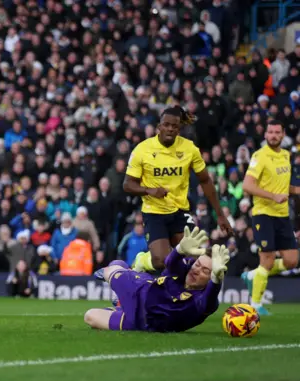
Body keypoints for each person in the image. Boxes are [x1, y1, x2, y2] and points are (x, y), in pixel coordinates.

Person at [123, 106, 232, 273]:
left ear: (179, 129)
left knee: (191, 257)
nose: (170, 129)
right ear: (159, 126)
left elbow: (205, 181)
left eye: (174, 126)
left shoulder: (189, 149)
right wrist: (149, 190)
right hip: (154, 212)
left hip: (180, 211)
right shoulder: (142, 150)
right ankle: (142, 260)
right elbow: (127, 184)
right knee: (161, 261)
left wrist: (220, 215)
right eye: (166, 125)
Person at [84, 227, 229, 333]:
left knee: (90, 316)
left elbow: (210, 297)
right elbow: (170, 263)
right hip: (139, 289)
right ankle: (123, 288)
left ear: (211, 277)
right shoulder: (184, 269)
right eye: (198, 264)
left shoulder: (204, 301)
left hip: (139, 322)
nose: (197, 270)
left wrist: (216, 279)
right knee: (113, 268)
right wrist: (179, 250)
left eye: (205, 271)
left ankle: (121, 302)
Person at [241, 120, 300, 316]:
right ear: (265, 135)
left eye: (277, 132)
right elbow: (247, 186)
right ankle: (255, 306)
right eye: (270, 132)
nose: (273, 135)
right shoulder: (260, 156)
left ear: (283, 135)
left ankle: (253, 275)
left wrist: (296, 190)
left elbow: (284, 188)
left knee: (292, 260)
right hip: (264, 214)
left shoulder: (286, 155)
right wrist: (273, 196)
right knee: (267, 261)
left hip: (282, 216)